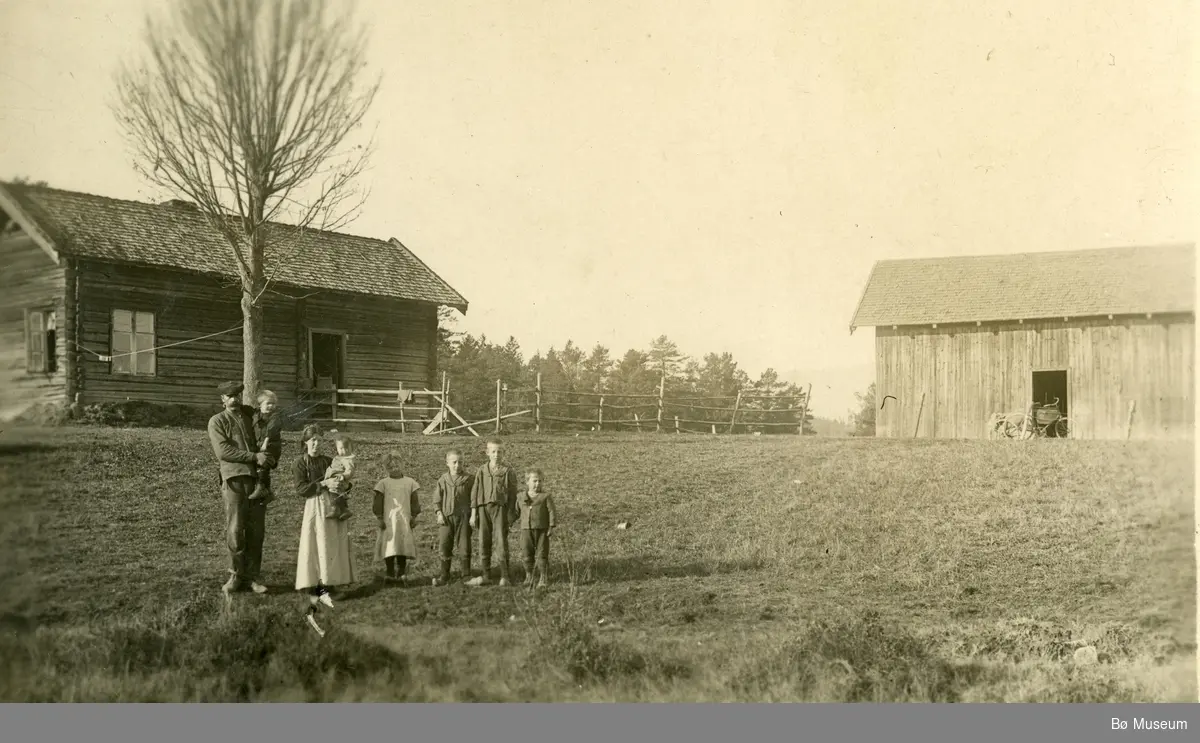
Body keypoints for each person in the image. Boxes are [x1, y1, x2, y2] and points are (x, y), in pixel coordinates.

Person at [207, 380, 270, 597]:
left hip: (257, 481)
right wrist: (253, 457)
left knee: (256, 530)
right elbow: (223, 451)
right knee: (235, 529)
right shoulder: (217, 421)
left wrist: (266, 457)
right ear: (222, 399)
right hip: (234, 480)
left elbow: (267, 439)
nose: (234, 399)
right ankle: (235, 575)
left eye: (237, 395)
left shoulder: (250, 419)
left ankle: (252, 577)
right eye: (229, 395)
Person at [293, 425, 356, 636]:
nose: (316, 444)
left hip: (332, 504)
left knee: (331, 544)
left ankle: (330, 583)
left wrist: (342, 485)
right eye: (312, 441)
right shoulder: (300, 463)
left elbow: (347, 480)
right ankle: (313, 584)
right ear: (305, 443)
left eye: (319, 440)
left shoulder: (330, 460)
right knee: (315, 543)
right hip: (314, 505)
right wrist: (323, 483)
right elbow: (301, 489)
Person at [467, 437, 519, 587]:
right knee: (484, 541)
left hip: (500, 510)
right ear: (487, 452)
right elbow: (475, 493)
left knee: (501, 541)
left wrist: (511, 515)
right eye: (494, 451)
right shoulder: (482, 471)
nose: (497, 454)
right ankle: (486, 575)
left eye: (500, 451)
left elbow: (513, 495)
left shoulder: (508, 471)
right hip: (483, 510)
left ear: (504, 453)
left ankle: (505, 575)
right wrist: (473, 513)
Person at [372, 452, 422, 585]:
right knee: (389, 547)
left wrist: (414, 516)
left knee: (402, 546)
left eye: (397, 465)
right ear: (386, 468)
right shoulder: (383, 484)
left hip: (404, 520)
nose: (394, 469)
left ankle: (401, 574)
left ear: (402, 464)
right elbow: (377, 502)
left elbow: (414, 501)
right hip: (389, 521)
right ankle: (389, 573)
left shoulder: (409, 482)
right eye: (390, 467)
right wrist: (379, 517)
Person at [432, 448, 474, 586]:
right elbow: (437, 499)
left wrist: (473, 515)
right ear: (447, 463)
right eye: (454, 462)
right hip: (446, 518)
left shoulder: (469, 479)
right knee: (444, 545)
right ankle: (444, 575)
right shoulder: (443, 480)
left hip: (464, 518)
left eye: (460, 462)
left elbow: (474, 499)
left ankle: (466, 575)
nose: (457, 465)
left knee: (464, 546)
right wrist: (439, 513)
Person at [518, 469, 557, 589]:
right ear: (527, 482)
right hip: (526, 530)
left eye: (540, 481)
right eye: (534, 481)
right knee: (526, 553)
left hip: (542, 531)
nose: (537, 484)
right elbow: (515, 511)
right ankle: (529, 575)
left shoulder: (545, 497)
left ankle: (543, 577)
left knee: (542, 554)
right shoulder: (520, 496)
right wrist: (508, 522)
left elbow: (552, 511)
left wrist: (551, 526)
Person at [247, 390, 282, 504]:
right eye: (268, 403)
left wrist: (265, 443)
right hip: (260, 445)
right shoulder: (256, 414)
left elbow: (271, 429)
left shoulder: (275, 417)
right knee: (258, 464)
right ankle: (268, 492)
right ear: (260, 405)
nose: (271, 406)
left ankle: (261, 487)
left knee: (263, 463)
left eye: (273, 404)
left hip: (272, 446)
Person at [321, 432, 356, 520]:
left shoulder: (348, 459)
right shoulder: (339, 458)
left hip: (339, 479)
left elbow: (350, 471)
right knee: (338, 493)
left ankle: (335, 508)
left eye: (346, 448)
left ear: (351, 448)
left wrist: (343, 476)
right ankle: (344, 509)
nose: (343, 451)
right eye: (340, 448)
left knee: (334, 491)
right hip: (334, 477)